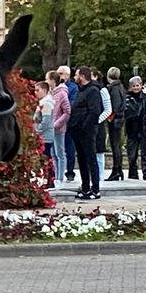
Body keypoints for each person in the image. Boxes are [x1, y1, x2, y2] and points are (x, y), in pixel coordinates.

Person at [66, 66, 103, 200]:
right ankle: (85, 187)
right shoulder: (81, 91)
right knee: (81, 160)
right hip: (77, 131)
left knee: (91, 159)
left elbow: (94, 111)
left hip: (87, 131)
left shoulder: (93, 91)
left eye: (76, 75)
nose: (74, 77)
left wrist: (84, 126)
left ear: (82, 76)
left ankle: (95, 188)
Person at [124, 76, 146, 180]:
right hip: (132, 130)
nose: (136, 88)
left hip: (144, 129)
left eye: (137, 85)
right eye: (133, 86)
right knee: (132, 154)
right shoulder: (127, 98)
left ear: (141, 86)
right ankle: (133, 174)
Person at [48, 70, 70, 187]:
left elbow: (67, 111)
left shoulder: (62, 93)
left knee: (60, 153)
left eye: (47, 79)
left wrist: (57, 124)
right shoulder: (51, 93)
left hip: (58, 129)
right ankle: (55, 176)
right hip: (50, 129)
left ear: (52, 80)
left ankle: (60, 178)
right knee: (53, 154)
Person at [56, 65, 78, 181]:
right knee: (57, 149)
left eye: (60, 73)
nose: (58, 75)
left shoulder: (72, 88)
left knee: (69, 147)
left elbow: (71, 105)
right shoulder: (55, 87)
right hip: (56, 122)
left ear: (67, 75)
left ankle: (69, 172)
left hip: (67, 122)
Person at [104, 67, 126, 181]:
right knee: (116, 146)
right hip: (118, 120)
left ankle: (117, 170)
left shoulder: (114, 88)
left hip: (115, 121)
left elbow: (115, 107)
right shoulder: (120, 87)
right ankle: (118, 170)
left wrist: (109, 117)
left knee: (115, 146)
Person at [33, 80, 55, 175]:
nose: (35, 92)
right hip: (43, 135)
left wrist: (37, 131)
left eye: (38, 90)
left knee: (46, 157)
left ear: (45, 90)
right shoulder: (42, 102)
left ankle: (50, 178)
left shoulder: (47, 103)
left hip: (45, 136)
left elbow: (46, 121)